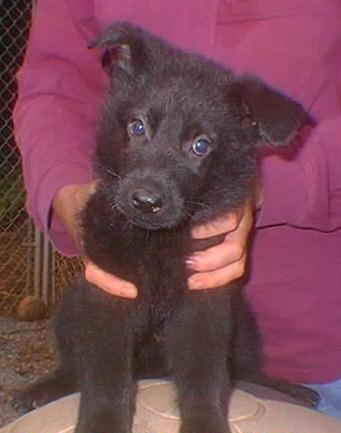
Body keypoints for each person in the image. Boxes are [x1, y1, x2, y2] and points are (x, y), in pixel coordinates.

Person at [14, 0, 341, 420]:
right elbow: (55, 79)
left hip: (314, 342)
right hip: (108, 355)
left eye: (198, 147)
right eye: (139, 130)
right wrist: (69, 192)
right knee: (92, 304)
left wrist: (283, 180)